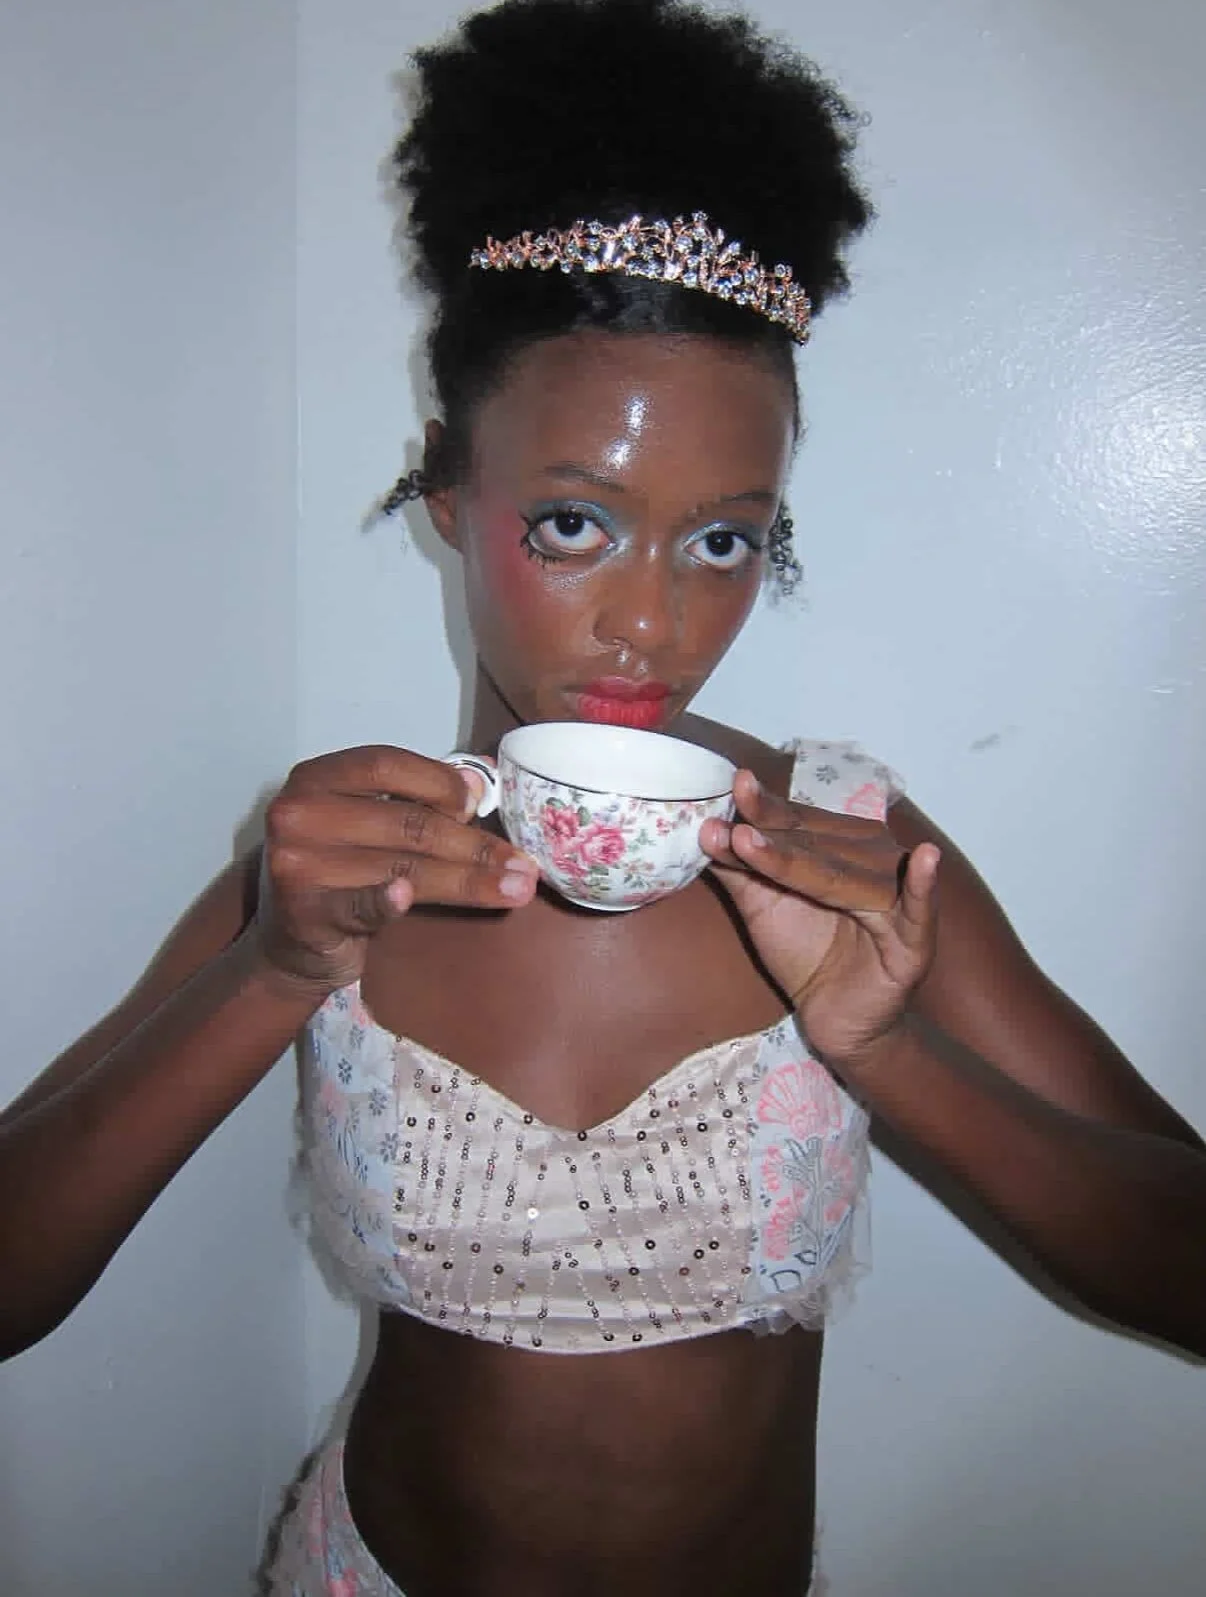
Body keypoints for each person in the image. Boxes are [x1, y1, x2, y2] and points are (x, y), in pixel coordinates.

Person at [1, 0, 1203, 1592]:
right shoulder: (336, 863)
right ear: (448, 489)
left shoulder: (852, 857)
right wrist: (278, 969)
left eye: (721, 540)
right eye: (574, 523)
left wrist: (886, 1050)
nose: (653, 624)